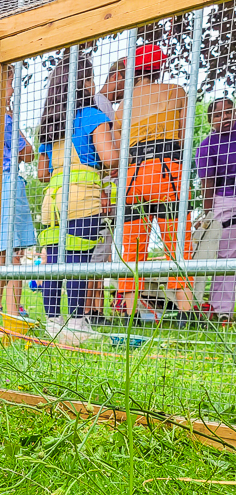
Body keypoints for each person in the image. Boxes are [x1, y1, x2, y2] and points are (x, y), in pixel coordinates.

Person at [37, 53, 119, 343]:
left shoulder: (50, 125)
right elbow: (111, 158)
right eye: (91, 77)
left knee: (54, 262)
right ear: (84, 83)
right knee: (79, 261)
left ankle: (52, 323)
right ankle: (77, 324)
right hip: (83, 200)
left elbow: (42, 174)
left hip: (53, 204)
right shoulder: (92, 117)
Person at [113, 44, 193, 326]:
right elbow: (184, 136)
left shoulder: (123, 105)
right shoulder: (176, 91)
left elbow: (117, 146)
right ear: (158, 67)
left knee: (132, 244)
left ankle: (130, 312)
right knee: (176, 240)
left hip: (133, 174)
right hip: (167, 169)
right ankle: (185, 311)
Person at [86, 59, 127, 326]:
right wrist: (103, 190)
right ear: (117, 76)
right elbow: (102, 154)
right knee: (98, 252)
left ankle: (98, 309)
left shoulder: (108, 106)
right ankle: (92, 310)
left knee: (104, 250)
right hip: (101, 189)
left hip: (107, 189)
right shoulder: (100, 104)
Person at [0, 64, 36, 318]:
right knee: (12, 253)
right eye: (11, 83)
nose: (13, 91)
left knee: (6, 251)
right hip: (8, 183)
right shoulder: (5, 118)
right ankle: (12, 311)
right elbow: (29, 152)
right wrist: (13, 118)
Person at [196, 97, 236, 323]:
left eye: (229, 112)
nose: (225, 118)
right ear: (211, 120)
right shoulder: (207, 145)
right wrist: (208, 216)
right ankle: (222, 311)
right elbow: (208, 184)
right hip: (225, 198)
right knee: (226, 255)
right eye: (218, 115)